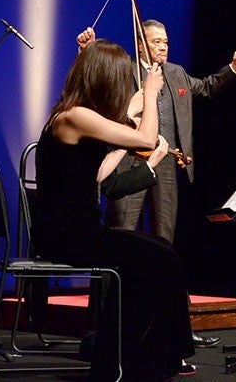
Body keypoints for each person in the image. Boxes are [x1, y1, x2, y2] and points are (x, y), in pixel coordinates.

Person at [32, 39, 195, 381]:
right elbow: (148, 141)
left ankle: (147, 356)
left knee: (161, 252)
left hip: (79, 233)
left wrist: (126, 128)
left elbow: (96, 175)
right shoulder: (74, 117)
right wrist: (150, 94)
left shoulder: (74, 116)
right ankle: (138, 360)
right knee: (160, 259)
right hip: (70, 237)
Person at [78, 20, 236, 348]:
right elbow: (96, 81)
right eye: (156, 41)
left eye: (166, 41)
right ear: (141, 44)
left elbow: (209, 86)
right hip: (127, 161)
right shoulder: (123, 69)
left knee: (165, 245)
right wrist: (88, 51)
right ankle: (101, 328)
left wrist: (233, 67)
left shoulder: (176, 73)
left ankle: (172, 328)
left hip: (166, 163)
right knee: (119, 238)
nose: (163, 46)